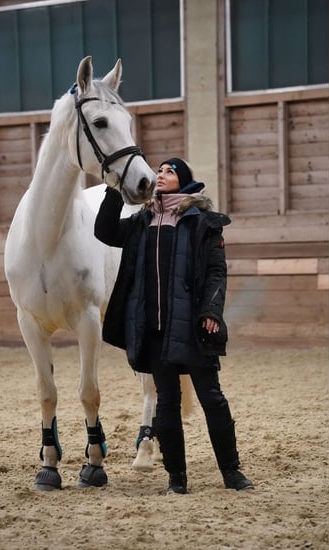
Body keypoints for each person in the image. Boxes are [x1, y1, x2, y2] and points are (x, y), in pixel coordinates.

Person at [94, 157, 254, 494]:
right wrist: (112, 191)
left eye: (169, 171)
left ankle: (231, 472)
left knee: (212, 398)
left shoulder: (203, 222)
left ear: (184, 182)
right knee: (166, 402)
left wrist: (211, 310)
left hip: (193, 326)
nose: (161, 174)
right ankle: (176, 479)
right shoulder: (142, 221)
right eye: (160, 171)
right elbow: (105, 232)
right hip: (152, 329)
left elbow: (216, 271)